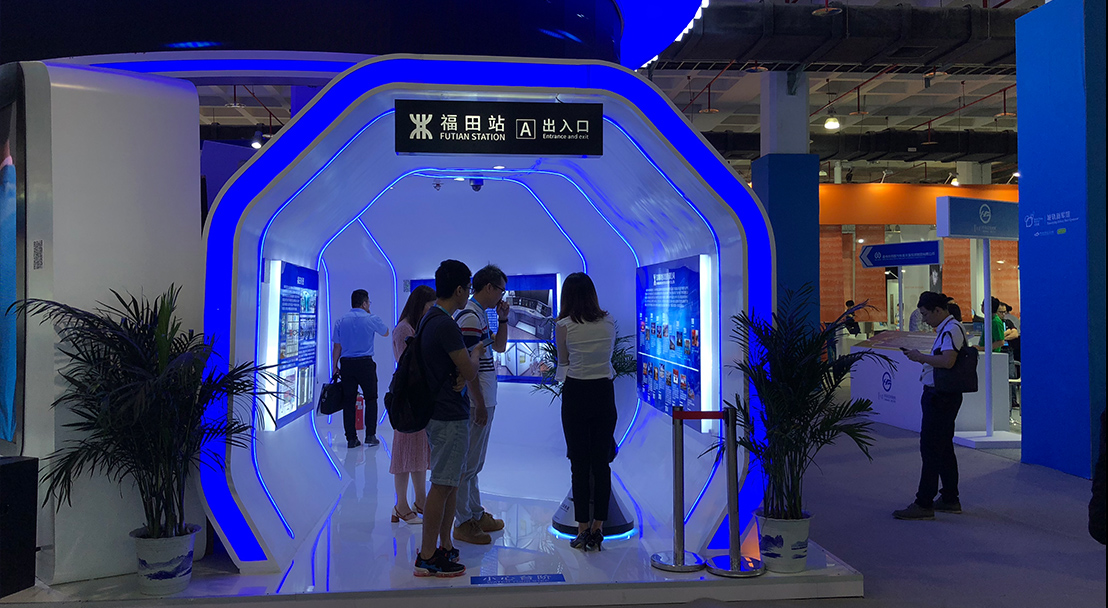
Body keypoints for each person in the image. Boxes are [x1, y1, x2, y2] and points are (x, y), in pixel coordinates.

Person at [413, 260, 485, 578]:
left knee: (449, 484)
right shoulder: (445, 324)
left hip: (439, 413)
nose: (468, 293)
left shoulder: (430, 319)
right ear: (458, 290)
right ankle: (428, 555)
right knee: (442, 485)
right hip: (448, 416)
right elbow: (468, 371)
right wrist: (475, 354)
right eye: (467, 288)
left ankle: (443, 546)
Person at [555, 272, 617, 551]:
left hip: (576, 394)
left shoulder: (563, 326)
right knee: (601, 463)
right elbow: (608, 359)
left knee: (579, 464)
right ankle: (598, 528)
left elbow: (563, 363)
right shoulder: (609, 321)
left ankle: (581, 529)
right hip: (604, 392)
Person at [452, 265, 511, 545]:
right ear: (489, 287)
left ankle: (474, 513)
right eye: (501, 290)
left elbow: (498, 347)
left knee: (474, 463)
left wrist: (503, 320)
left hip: (483, 398)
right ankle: (464, 521)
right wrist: (478, 401)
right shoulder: (469, 316)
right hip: (477, 401)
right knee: (467, 464)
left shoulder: (480, 315)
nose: (502, 295)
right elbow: (466, 367)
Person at [895, 291, 966, 520]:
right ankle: (949, 498)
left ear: (938, 310)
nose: (924, 319)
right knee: (943, 448)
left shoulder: (951, 329)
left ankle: (924, 503)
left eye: (926, 314)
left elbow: (947, 361)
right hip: (942, 395)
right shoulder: (949, 328)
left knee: (931, 449)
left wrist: (920, 357)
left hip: (940, 396)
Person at [389, 285, 437, 525]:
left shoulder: (413, 328)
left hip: (417, 398)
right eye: (429, 306)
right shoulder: (403, 330)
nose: (431, 310)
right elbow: (407, 364)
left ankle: (420, 500)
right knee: (404, 453)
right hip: (407, 400)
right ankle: (401, 505)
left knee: (418, 451)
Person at [332, 289, 389, 449]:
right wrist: (370, 314)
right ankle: (370, 435)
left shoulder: (341, 321)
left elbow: (337, 346)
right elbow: (385, 332)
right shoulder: (371, 318)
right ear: (364, 303)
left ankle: (351, 439)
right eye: (368, 302)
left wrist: (334, 366)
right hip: (365, 364)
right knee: (371, 399)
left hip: (347, 365)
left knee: (348, 401)